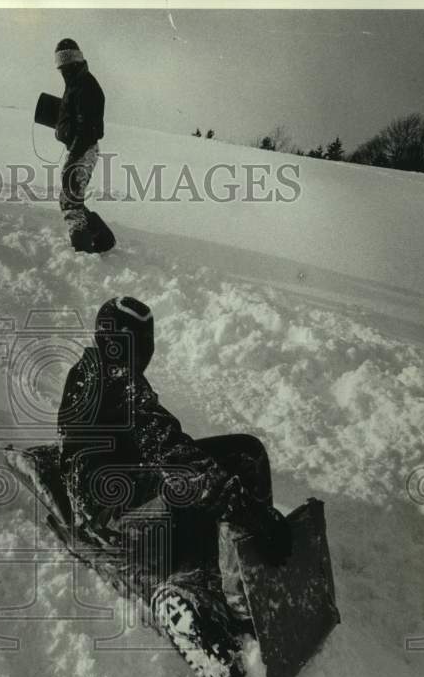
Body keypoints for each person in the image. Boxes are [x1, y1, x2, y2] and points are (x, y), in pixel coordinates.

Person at [56, 297, 292, 587]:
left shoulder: (93, 369)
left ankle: (246, 556)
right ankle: (197, 584)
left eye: (148, 340)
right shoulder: (117, 381)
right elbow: (168, 446)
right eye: (139, 341)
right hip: (108, 510)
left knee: (243, 451)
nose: (146, 350)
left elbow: (156, 440)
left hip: (112, 483)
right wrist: (249, 511)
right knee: (194, 483)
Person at [54, 38, 105, 252]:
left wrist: (74, 154)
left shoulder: (85, 85)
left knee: (70, 201)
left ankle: (82, 252)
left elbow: (87, 128)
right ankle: (103, 239)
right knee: (71, 197)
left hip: (83, 149)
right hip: (81, 148)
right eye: (61, 65)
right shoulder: (76, 83)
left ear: (75, 61)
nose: (63, 69)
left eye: (66, 64)